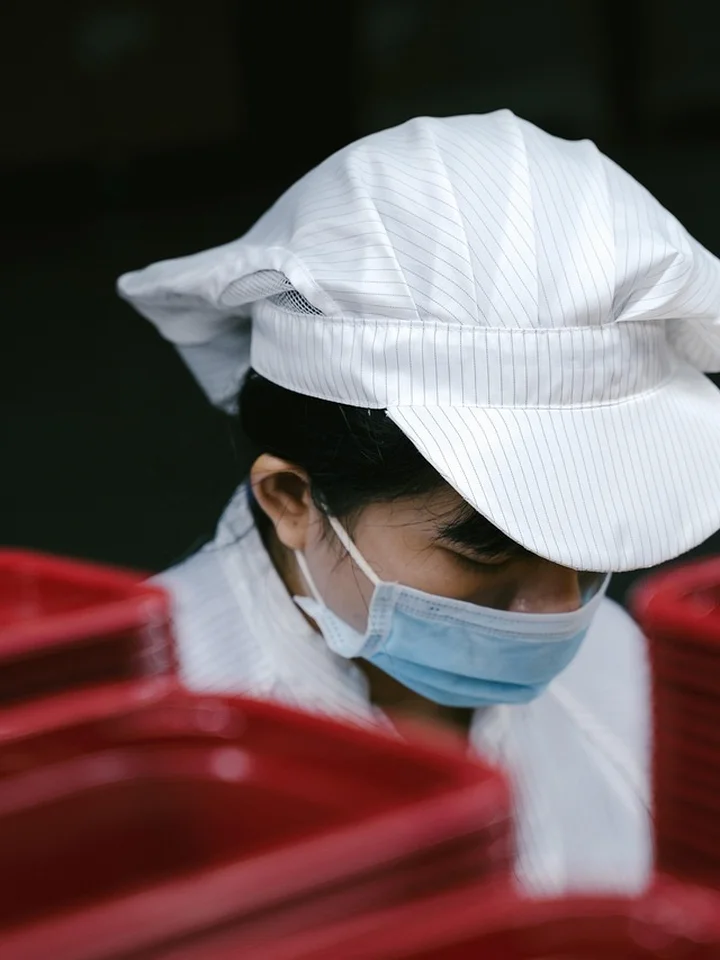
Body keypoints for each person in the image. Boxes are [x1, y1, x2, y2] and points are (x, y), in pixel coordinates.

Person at [118, 111, 720, 895]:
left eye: (583, 546)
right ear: (293, 498)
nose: (561, 608)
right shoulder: (139, 741)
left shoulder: (615, 667)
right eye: (485, 550)